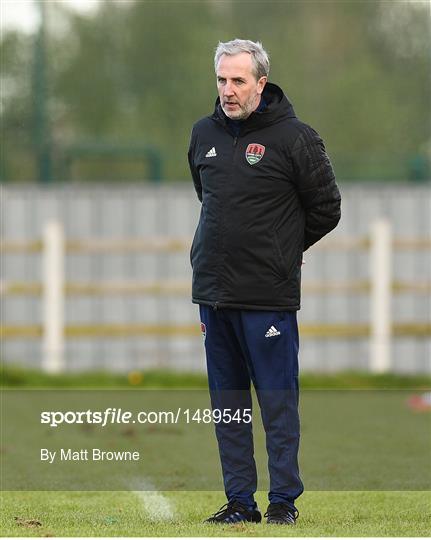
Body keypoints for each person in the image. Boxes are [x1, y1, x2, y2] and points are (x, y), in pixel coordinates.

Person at [188, 38, 341, 525]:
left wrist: (283, 251)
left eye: (237, 80)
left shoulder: (296, 138)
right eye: (221, 80)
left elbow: (327, 209)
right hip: (214, 294)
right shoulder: (202, 134)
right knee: (228, 407)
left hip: (268, 296)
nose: (227, 91)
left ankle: (282, 502)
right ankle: (239, 502)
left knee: (276, 403)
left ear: (261, 83)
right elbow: (208, 199)